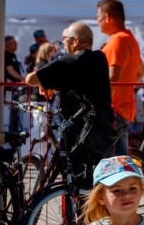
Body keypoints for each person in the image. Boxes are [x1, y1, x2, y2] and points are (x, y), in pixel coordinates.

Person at [25, 22, 115, 176]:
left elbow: (30, 79)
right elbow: (81, 82)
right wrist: (54, 85)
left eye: (64, 39)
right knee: (98, 175)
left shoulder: (68, 61)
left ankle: (77, 199)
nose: (62, 42)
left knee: (75, 175)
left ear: (76, 41)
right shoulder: (100, 58)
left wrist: (46, 83)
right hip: (102, 129)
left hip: (78, 132)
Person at [97, 0, 143, 156]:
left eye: (98, 18)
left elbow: (112, 79)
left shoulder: (118, 40)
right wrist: (126, 86)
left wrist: (100, 105)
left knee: (114, 165)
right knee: (119, 161)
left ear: (107, 18)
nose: (97, 22)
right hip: (123, 109)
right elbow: (140, 71)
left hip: (113, 111)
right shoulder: (129, 39)